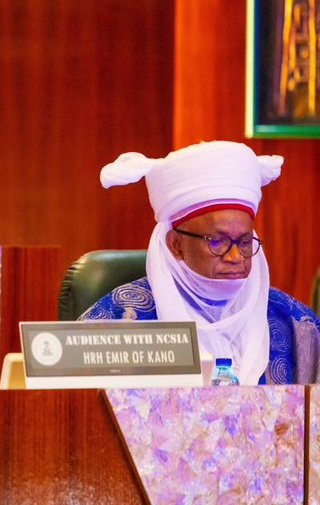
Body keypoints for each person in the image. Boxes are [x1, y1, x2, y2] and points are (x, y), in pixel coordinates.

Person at [81, 140, 320, 384]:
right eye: (217, 242)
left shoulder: (296, 325)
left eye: (245, 243)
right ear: (176, 245)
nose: (236, 257)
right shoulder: (119, 321)